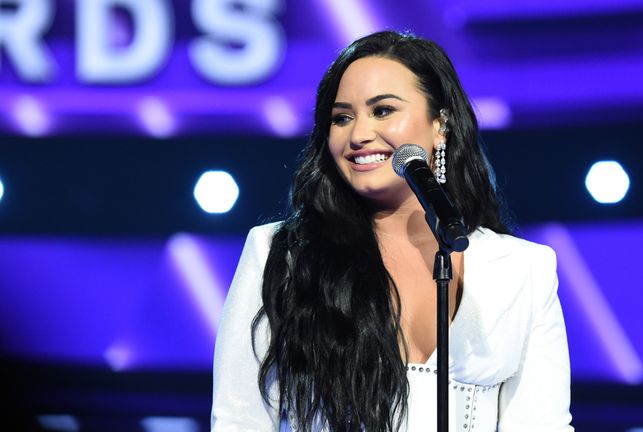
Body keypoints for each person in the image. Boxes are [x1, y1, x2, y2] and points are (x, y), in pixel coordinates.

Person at [211, 30, 573, 431]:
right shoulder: (283, 255)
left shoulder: (522, 269)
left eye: (382, 110)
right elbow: (237, 419)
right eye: (341, 117)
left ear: (441, 124)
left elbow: (542, 423)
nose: (359, 134)